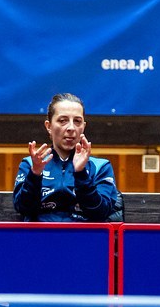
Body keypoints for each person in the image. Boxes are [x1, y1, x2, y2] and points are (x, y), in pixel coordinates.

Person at [13, 92, 123, 222]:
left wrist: (81, 173)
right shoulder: (30, 164)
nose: (71, 127)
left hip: (84, 234)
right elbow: (23, 209)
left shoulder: (100, 167)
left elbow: (100, 213)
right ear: (49, 126)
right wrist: (35, 175)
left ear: (83, 127)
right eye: (63, 120)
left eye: (77, 121)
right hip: (41, 234)